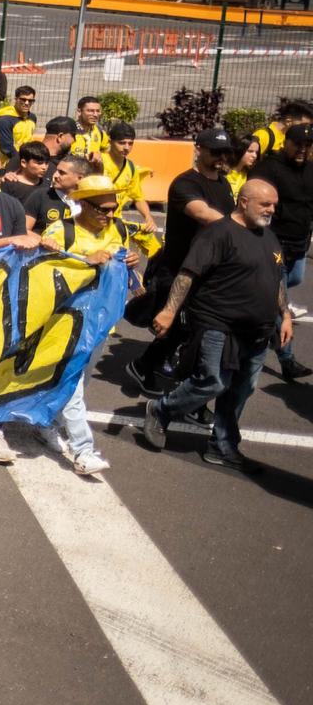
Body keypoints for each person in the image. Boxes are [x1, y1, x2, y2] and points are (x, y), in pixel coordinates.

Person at [145, 179, 290, 472]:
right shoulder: (219, 233)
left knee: (241, 389)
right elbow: (188, 274)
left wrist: (284, 315)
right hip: (218, 324)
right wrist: (169, 311)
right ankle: (160, 410)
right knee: (212, 381)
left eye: (274, 204)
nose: (272, 210)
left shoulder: (269, 237)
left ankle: (222, 445)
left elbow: (277, 279)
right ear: (244, 201)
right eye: (266, 204)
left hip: (259, 331)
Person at [32, 175, 136, 477]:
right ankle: (83, 451)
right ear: (82, 205)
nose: (109, 215)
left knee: (80, 383)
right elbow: (40, 271)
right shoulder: (60, 230)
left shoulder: (118, 228)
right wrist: (82, 259)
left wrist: (131, 260)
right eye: (102, 209)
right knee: (73, 384)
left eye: (113, 208)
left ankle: (45, 424)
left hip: (101, 324)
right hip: (64, 323)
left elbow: (122, 267)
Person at [132, 129, 240, 395]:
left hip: (210, 270)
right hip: (179, 268)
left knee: (191, 328)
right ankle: (143, 366)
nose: (220, 158)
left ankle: (167, 366)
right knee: (176, 326)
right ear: (199, 149)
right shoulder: (185, 184)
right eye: (215, 152)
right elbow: (203, 214)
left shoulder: (224, 184)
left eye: (225, 153)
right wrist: (243, 229)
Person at [248, 122, 313, 382]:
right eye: (298, 144)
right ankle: (288, 361)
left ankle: (271, 327)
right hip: (274, 243)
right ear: (286, 143)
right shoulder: (270, 168)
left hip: (299, 243)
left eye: (307, 146)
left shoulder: (311, 169)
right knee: (281, 299)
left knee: (295, 279)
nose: (302, 149)